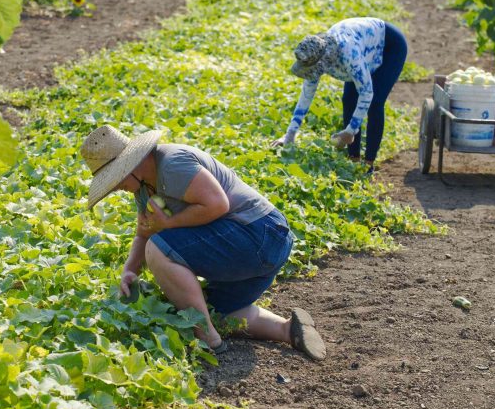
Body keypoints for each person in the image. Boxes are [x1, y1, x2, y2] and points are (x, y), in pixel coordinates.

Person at [79, 125, 326, 361]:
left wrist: (168, 224)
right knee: (211, 311)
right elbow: (144, 231)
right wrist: (130, 271)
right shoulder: (144, 188)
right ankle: (288, 330)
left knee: (159, 248)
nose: (116, 188)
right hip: (258, 246)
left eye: (116, 179)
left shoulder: (172, 163)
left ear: (132, 164)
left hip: (260, 234)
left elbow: (218, 204)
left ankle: (207, 339)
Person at [272, 17, 409, 171]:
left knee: (375, 102)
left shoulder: (349, 55)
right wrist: (290, 134)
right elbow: (306, 95)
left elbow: (366, 93)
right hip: (362, 46)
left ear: (324, 61)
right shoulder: (313, 56)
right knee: (349, 99)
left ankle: (368, 163)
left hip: (389, 45)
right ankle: (353, 159)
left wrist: (351, 130)